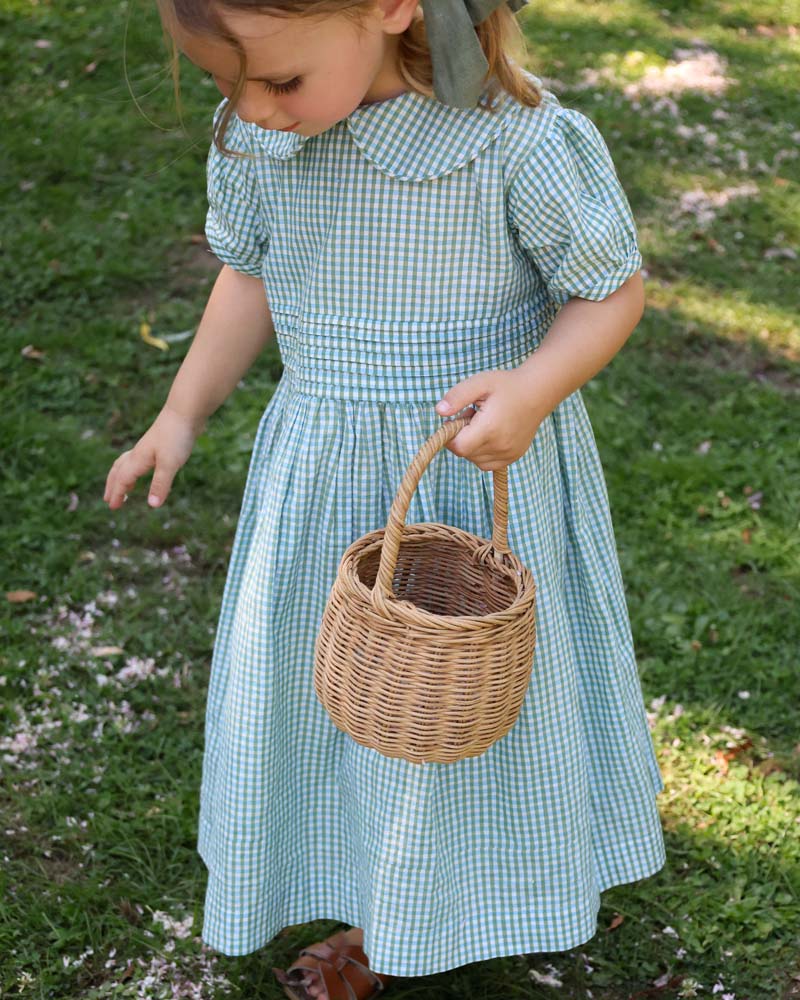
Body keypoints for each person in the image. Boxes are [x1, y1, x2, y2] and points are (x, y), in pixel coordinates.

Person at [103, 0, 667, 997]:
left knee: (455, 702)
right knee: (346, 697)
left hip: (470, 476)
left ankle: (435, 899)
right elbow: (249, 276)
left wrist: (530, 391)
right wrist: (180, 414)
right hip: (323, 481)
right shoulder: (259, 138)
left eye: (276, 81)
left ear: (390, 8)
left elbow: (606, 289)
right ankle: (364, 880)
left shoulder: (512, 140)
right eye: (226, 85)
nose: (254, 112)